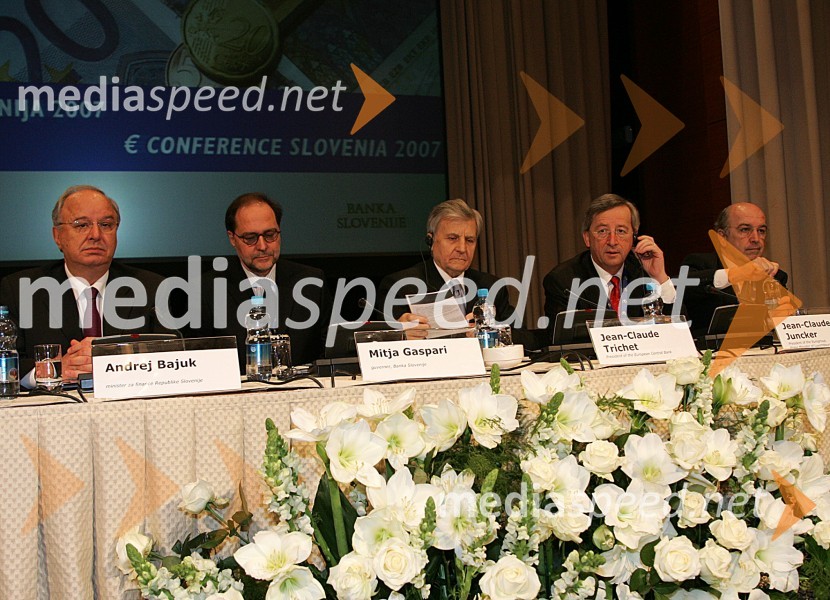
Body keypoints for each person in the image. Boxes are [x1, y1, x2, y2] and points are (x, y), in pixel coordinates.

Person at [0, 185, 169, 384]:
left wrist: (116, 362)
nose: (96, 235)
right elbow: (5, 362)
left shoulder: (152, 288)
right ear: (57, 236)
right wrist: (53, 369)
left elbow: (175, 359)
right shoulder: (20, 289)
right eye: (81, 225)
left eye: (106, 225)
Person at [198, 192, 332, 371]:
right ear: (232, 238)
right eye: (250, 238)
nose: (262, 246)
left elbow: (329, 355)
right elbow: (200, 364)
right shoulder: (206, 290)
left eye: (270, 234)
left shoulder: (312, 282)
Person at [543, 193, 676, 325]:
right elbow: (563, 340)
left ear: (633, 237)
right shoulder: (563, 282)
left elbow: (680, 329)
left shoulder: (643, 272)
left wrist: (660, 277)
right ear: (587, 238)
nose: (612, 241)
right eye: (602, 231)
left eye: (621, 231)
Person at [377, 198, 514, 325]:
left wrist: (493, 330)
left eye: (469, 240)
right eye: (452, 238)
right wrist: (402, 334)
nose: (462, 248)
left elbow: (526, 338)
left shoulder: (492, 286)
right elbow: (379, 341)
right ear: (430, 241)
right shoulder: (401, 286)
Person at [681, 202, 787, 336]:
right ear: (722, 236)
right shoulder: (700, 264)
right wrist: (739, 273)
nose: (756, 239)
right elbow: (679, 286)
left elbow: (785, 325)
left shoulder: (775, 275)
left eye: (761, 231)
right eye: (744, 229)